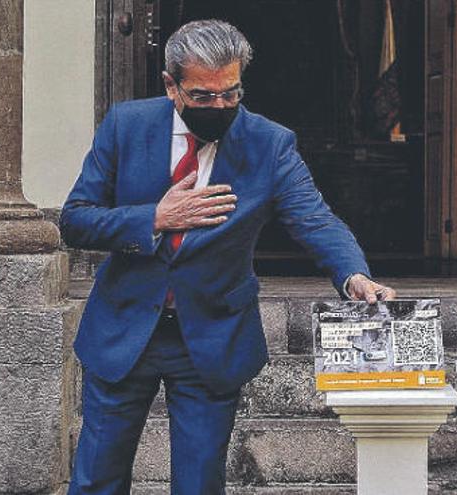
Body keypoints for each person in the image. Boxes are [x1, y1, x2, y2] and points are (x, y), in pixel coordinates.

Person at [61, 20, 396, 493]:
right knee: (97, 479)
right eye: (203, 95)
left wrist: (354, 275)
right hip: (123, 331)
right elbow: (75, 219)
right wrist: (153, 218)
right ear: (170, 86)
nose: (218, 106)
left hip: (212, 337)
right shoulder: (126, 125)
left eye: (230, 93)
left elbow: (315, 219)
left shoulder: (269, 142)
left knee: (199, 484)